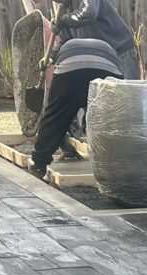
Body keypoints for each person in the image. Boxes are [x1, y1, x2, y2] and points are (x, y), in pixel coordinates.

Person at [30, 38, 122, 179]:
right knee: (109, 120)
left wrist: (49, 60)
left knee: (55, 117)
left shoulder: (66, 44)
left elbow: (53, 55)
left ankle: (39, 166)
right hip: (108, 70)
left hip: (70, 71)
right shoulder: (110, 47)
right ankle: (117, 166)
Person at [52, 0, 140, 80]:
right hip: (102, 59)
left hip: (121, 51)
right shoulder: (64, 10)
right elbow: (65, 41)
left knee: (129, 90)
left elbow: (89, 13)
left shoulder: (67, 17)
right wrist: (52, 57)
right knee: (107, 92)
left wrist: (63, 21)